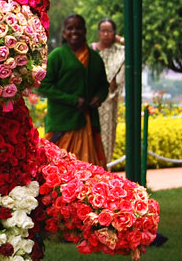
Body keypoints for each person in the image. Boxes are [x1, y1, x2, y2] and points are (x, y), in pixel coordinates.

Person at [38, 13, 108, 166]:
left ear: (85, 31)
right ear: (64, 33)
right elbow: (43, 86)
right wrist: (73, 100)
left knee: (90, 171)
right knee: (57, 170)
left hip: (89, 123)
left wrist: (99, 97)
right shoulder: (57, 56)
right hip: (62, 124)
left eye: (78, 28)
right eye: (70, 28)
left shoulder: (95, 58)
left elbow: (104, 85)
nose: (74, 31)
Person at [92, 18, 126, 166]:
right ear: (99, 33)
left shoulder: (119, 52)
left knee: (106, 139)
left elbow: (135, 48)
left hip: (109, 101)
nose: (106, 34)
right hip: (91, 100)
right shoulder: (91, 50)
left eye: (110, 31)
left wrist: (121, 40)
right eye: (103, 31)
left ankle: (104, 172)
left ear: (114, 33)